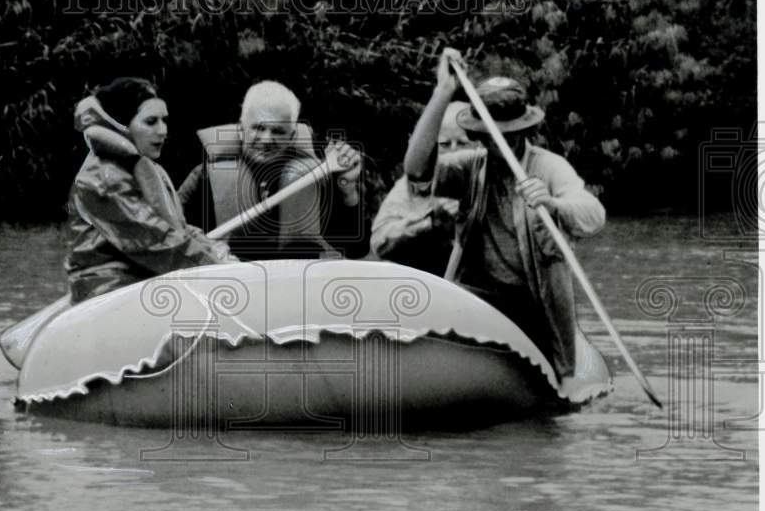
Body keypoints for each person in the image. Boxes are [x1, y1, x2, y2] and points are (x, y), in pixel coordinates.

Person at [403, 49, 606, 379]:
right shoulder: (471, 167)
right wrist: (443, 92)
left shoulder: (549, 167)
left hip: (534, 308)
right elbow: (415, 171)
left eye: (514, 131)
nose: (506, 140)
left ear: (525, 129)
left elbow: (593, 215)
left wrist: (554, 206)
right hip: (482, 301)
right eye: (498, 133)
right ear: (480, 135)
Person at [65, 77, 237, 303]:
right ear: (122, 125)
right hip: (106, 292)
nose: (163, 130)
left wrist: (215, 249)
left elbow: (177, 230)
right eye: (151, 122)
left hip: (135, 282)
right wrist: (220, 268)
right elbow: (156, 242)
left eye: (164, 121)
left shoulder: (138, 168)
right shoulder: (101, 178)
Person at [178, 81, 369, 260]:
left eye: (278, 131)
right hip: (230, 287)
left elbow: (357, 249)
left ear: (292, 135)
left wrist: (348, 190)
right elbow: (172, 241)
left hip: (295, 287)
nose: (267, 139)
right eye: (259, 128)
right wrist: (203, 248)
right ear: (241, 129)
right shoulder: (203, 178)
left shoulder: (314, 177)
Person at [370, 100, 473, 276]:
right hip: (428, 285)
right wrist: (432, 221)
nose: (454, 152)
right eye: (445, 144)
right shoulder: (416, 183)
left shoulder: (488, 178)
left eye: (463, 143)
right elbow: (381, 243)